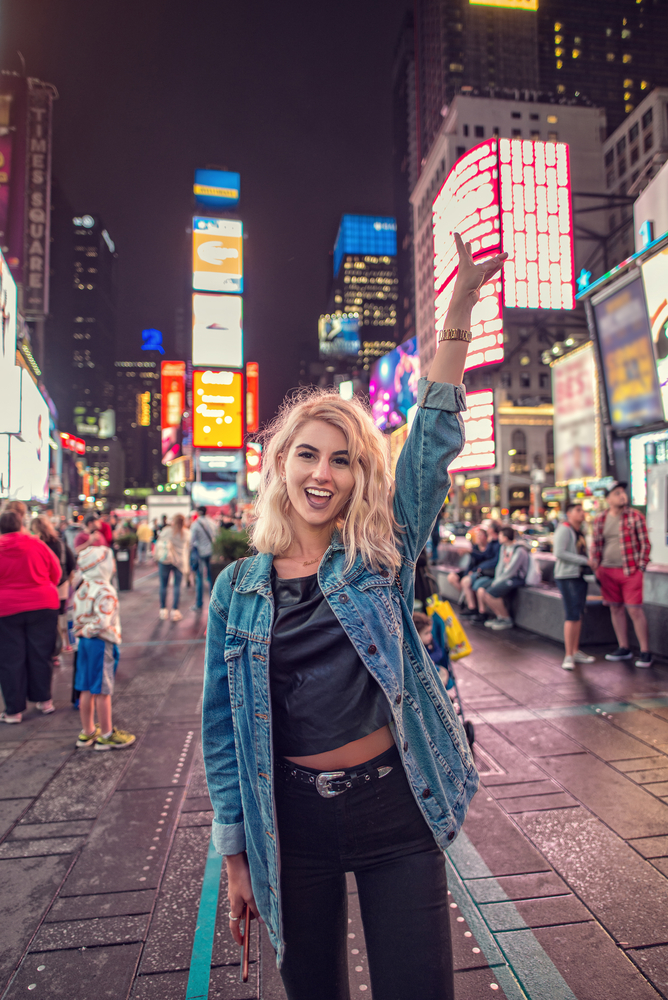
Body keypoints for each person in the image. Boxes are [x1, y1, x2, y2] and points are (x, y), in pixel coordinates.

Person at [202, 233, 506, 1000]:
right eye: (308, 455)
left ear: (357, 475)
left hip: (394, 807)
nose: (323, 473)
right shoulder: (236, 589)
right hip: (289, 824)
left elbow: (431, 445)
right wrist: (236, 857)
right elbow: (222, 734)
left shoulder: (379, 557)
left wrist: (460, 309)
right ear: (281, 464)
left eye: (342, 460)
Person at [0, 509, 60, 722]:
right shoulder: (36, 544)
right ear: (21, 524)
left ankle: (14, 711)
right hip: (43, 604)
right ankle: (45, 701)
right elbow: (56, 571)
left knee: (9, 659)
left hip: (6, 609)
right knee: (41, 654)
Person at [72, 544, 135, 749]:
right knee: (102, 690)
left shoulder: (82, 587)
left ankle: (88, 731)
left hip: (84, 643)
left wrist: (82, 632)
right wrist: (90, 630)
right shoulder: (105, 590)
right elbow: (103, 622)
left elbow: (76, 618)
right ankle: (107, 735)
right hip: (101, 643)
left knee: (86, 687)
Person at [590, 481, 652, 668]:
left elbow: (645, 544)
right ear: (608, 499)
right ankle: (623, 647)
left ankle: (646, 651)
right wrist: (597, 567)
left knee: (634, 610)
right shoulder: (600, 519)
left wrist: (641, 567)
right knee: (615, 608)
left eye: (623, 492)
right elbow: (596, 544)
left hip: (630, 571)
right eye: (617, 493)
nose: (622, 496)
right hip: (607, 571)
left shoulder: (635, 517)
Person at [553, 504, 596, 671]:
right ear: (569, 513)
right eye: (577, 510)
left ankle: (575, 650)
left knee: (577, 613)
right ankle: (568, 655)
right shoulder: (564, 529)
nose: (582, 513)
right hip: (567, 576)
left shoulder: (580, 530)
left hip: (579, 576)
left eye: (582, 510)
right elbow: (559, 552)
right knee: (571, 614)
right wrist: (585, 561)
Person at [31, 516, 76, 663]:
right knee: (60, 616)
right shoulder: (60, 543)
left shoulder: (36, 545)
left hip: (42, 587)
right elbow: (71, 562)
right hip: (61, 586)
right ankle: (65, 645)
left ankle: (54, 652)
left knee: (47, 621)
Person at [478, 525, 529, 630]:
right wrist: (497, 579)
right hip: (502, 578)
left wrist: (498, 581)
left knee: (490, 594)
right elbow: (500, 565)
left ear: (505, 537)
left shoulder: (519, 550)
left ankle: (506, 619)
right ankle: (499, 616)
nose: (498, 538)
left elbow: (512, 570)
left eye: (500, 536)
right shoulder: (503, 548)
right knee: (481, 591)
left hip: (516, 578)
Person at [459, 521, 501, 616]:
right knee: (465, 581)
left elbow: (494, 561)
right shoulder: (491, 543)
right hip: (483, 571)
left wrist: (481, 567)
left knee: (478, 586)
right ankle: (472, 608)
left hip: (489, 573)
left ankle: (481, 612)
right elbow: (484, 556)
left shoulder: (498, 544)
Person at [156, 513, 190, 621]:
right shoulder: (186, 533)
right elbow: (188, 547)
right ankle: (175, 611)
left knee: (163, 585)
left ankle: (163, 610)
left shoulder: (167, 531)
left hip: (166, 560)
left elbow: (160, 542)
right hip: (179, 562)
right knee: (177, 586)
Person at [189, 505, 217, 610]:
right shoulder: (212, 523)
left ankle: (199, 603)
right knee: (211, 578)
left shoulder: (195, 525)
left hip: (200, 554)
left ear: (198, 512)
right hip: (212, 553)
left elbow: (191, 542)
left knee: (199, 577)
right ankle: (213, 603)